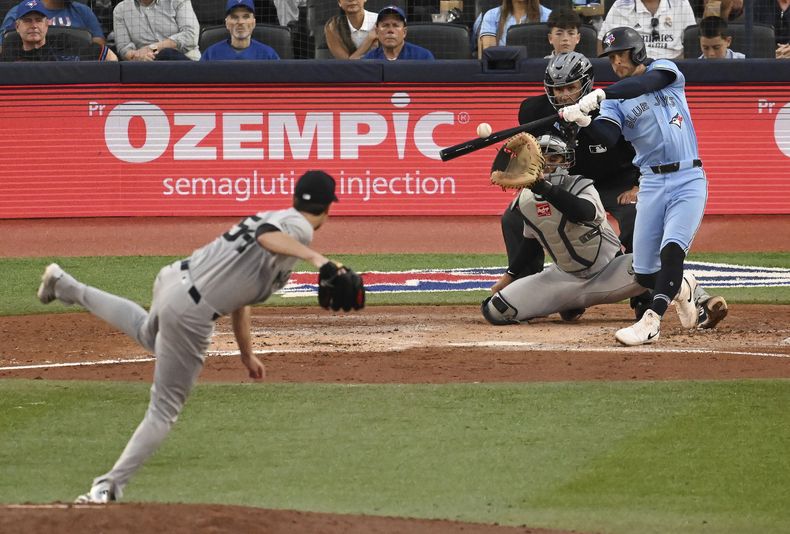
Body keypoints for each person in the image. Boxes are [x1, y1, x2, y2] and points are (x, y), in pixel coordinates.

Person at [36, 171, 360, 503]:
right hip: (192, 312)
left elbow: (241, 295)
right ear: (328, 208)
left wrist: (246, 354)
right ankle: (107, 486)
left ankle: (65, 285)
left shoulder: (275, 215)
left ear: (296, 196)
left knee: (148, 334)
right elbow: (266, 236)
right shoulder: (299, 229)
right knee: (165, 409)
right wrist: (317, 259)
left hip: (173, 279)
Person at [559, 26, 727, 345]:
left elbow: (645, 83)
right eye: (611, 59)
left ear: (636, 52)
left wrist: (606, 93)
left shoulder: (665, 70)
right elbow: (608, 137)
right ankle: (683, 287)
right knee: (645, 272)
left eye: (620, 55)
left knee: (673, 249)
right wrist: (584, 121)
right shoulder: (612, 103)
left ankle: (651, 322)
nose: (616, 64)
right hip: (651, 181)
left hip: (687, 178)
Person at [482, 133, 719, 333]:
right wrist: (509, 276)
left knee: (650, 269)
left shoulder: (581, 185)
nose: (547, 164)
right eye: (542, 159)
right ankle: (569, 303)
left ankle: (692, 292)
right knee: (496, 310)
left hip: (609, 271)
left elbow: (581, 212)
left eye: (554, 158)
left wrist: (544, 187)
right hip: (565, 278)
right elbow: (529, 243)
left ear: (566, 162)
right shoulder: (525, 200)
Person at [1, 0, 117, 61]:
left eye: (38, 20)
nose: (34, 25)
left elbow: (109, 56)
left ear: (48, 24)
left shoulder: (64, 46)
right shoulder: (10, 50)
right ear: (17, 26)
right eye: (27, 21)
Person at [597, 0, 696, 60]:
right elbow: (603, 43)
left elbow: (693, 43)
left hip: (673, 67)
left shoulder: (681, 3)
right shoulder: (620, 6)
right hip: (634, 70)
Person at [113, 0, 200, 61]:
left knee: (167, 53)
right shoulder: (121, 10)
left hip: (185, 60)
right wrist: (137, 57)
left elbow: (191, 35)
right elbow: (124, 49)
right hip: (147, 65)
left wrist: (152, 48)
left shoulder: (178, 1)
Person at [200, 0, 280, 61]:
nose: (240, 22)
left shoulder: (268, 55)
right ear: (227, 23)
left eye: (246, 17)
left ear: (254, 23)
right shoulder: (211, 54)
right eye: (234, 17)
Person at [477, 0, 552, 58]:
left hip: (537, 70)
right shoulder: (491, 15)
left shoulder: (549, 16)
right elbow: (490, 53)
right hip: (503, 70)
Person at [362, 6, 434, 60]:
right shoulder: (369, 59)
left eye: (395, 25)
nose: (390, 30)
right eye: (385, 25)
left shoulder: (423, 57)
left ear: (404, 32)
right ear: (377, 32)